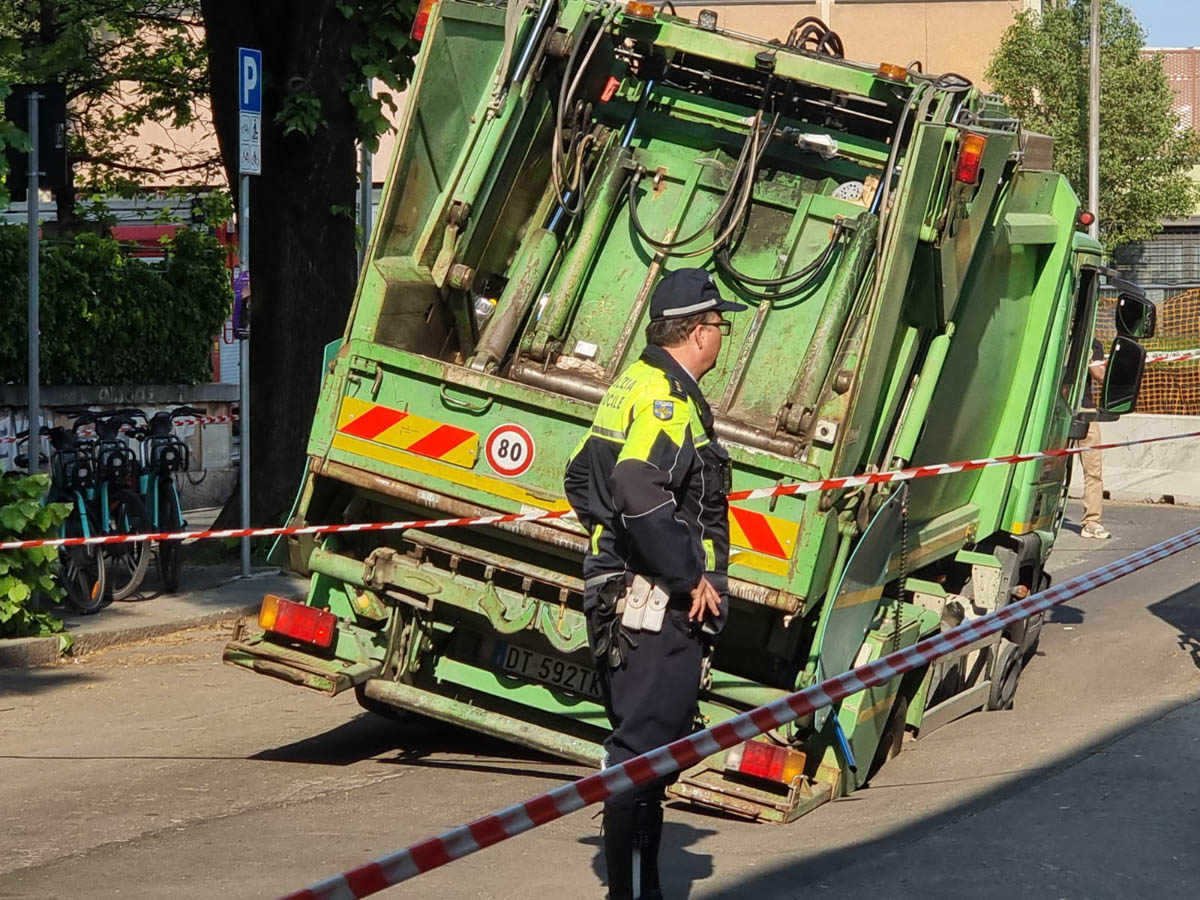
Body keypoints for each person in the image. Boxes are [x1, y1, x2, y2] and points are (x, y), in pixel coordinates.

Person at [564, 268, 744, 900]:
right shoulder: (666, 399)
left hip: (621, 594)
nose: (723, 335)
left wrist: (611, 545)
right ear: (697, 332)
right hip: (652, 605)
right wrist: (685, 574)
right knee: (641, 759)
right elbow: (638, 485)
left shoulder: (630, 386)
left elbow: (581, 479)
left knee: (645, 756)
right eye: (721, 324)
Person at [1079, 337, 1110, 539]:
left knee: (1093, 470)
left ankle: (1091, 521)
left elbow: (1098, 373)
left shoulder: (1092, 342)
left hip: (1085, 409)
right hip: (1055, 409)